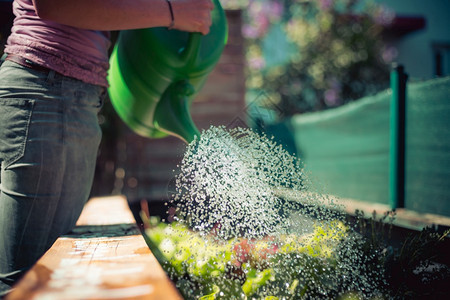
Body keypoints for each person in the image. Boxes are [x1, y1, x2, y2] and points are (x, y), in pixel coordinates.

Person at [0, 0, 214, 297]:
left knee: (52, 273)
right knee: (23, 281)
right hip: (46, 88)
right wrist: (173, 13)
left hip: (78, 98)